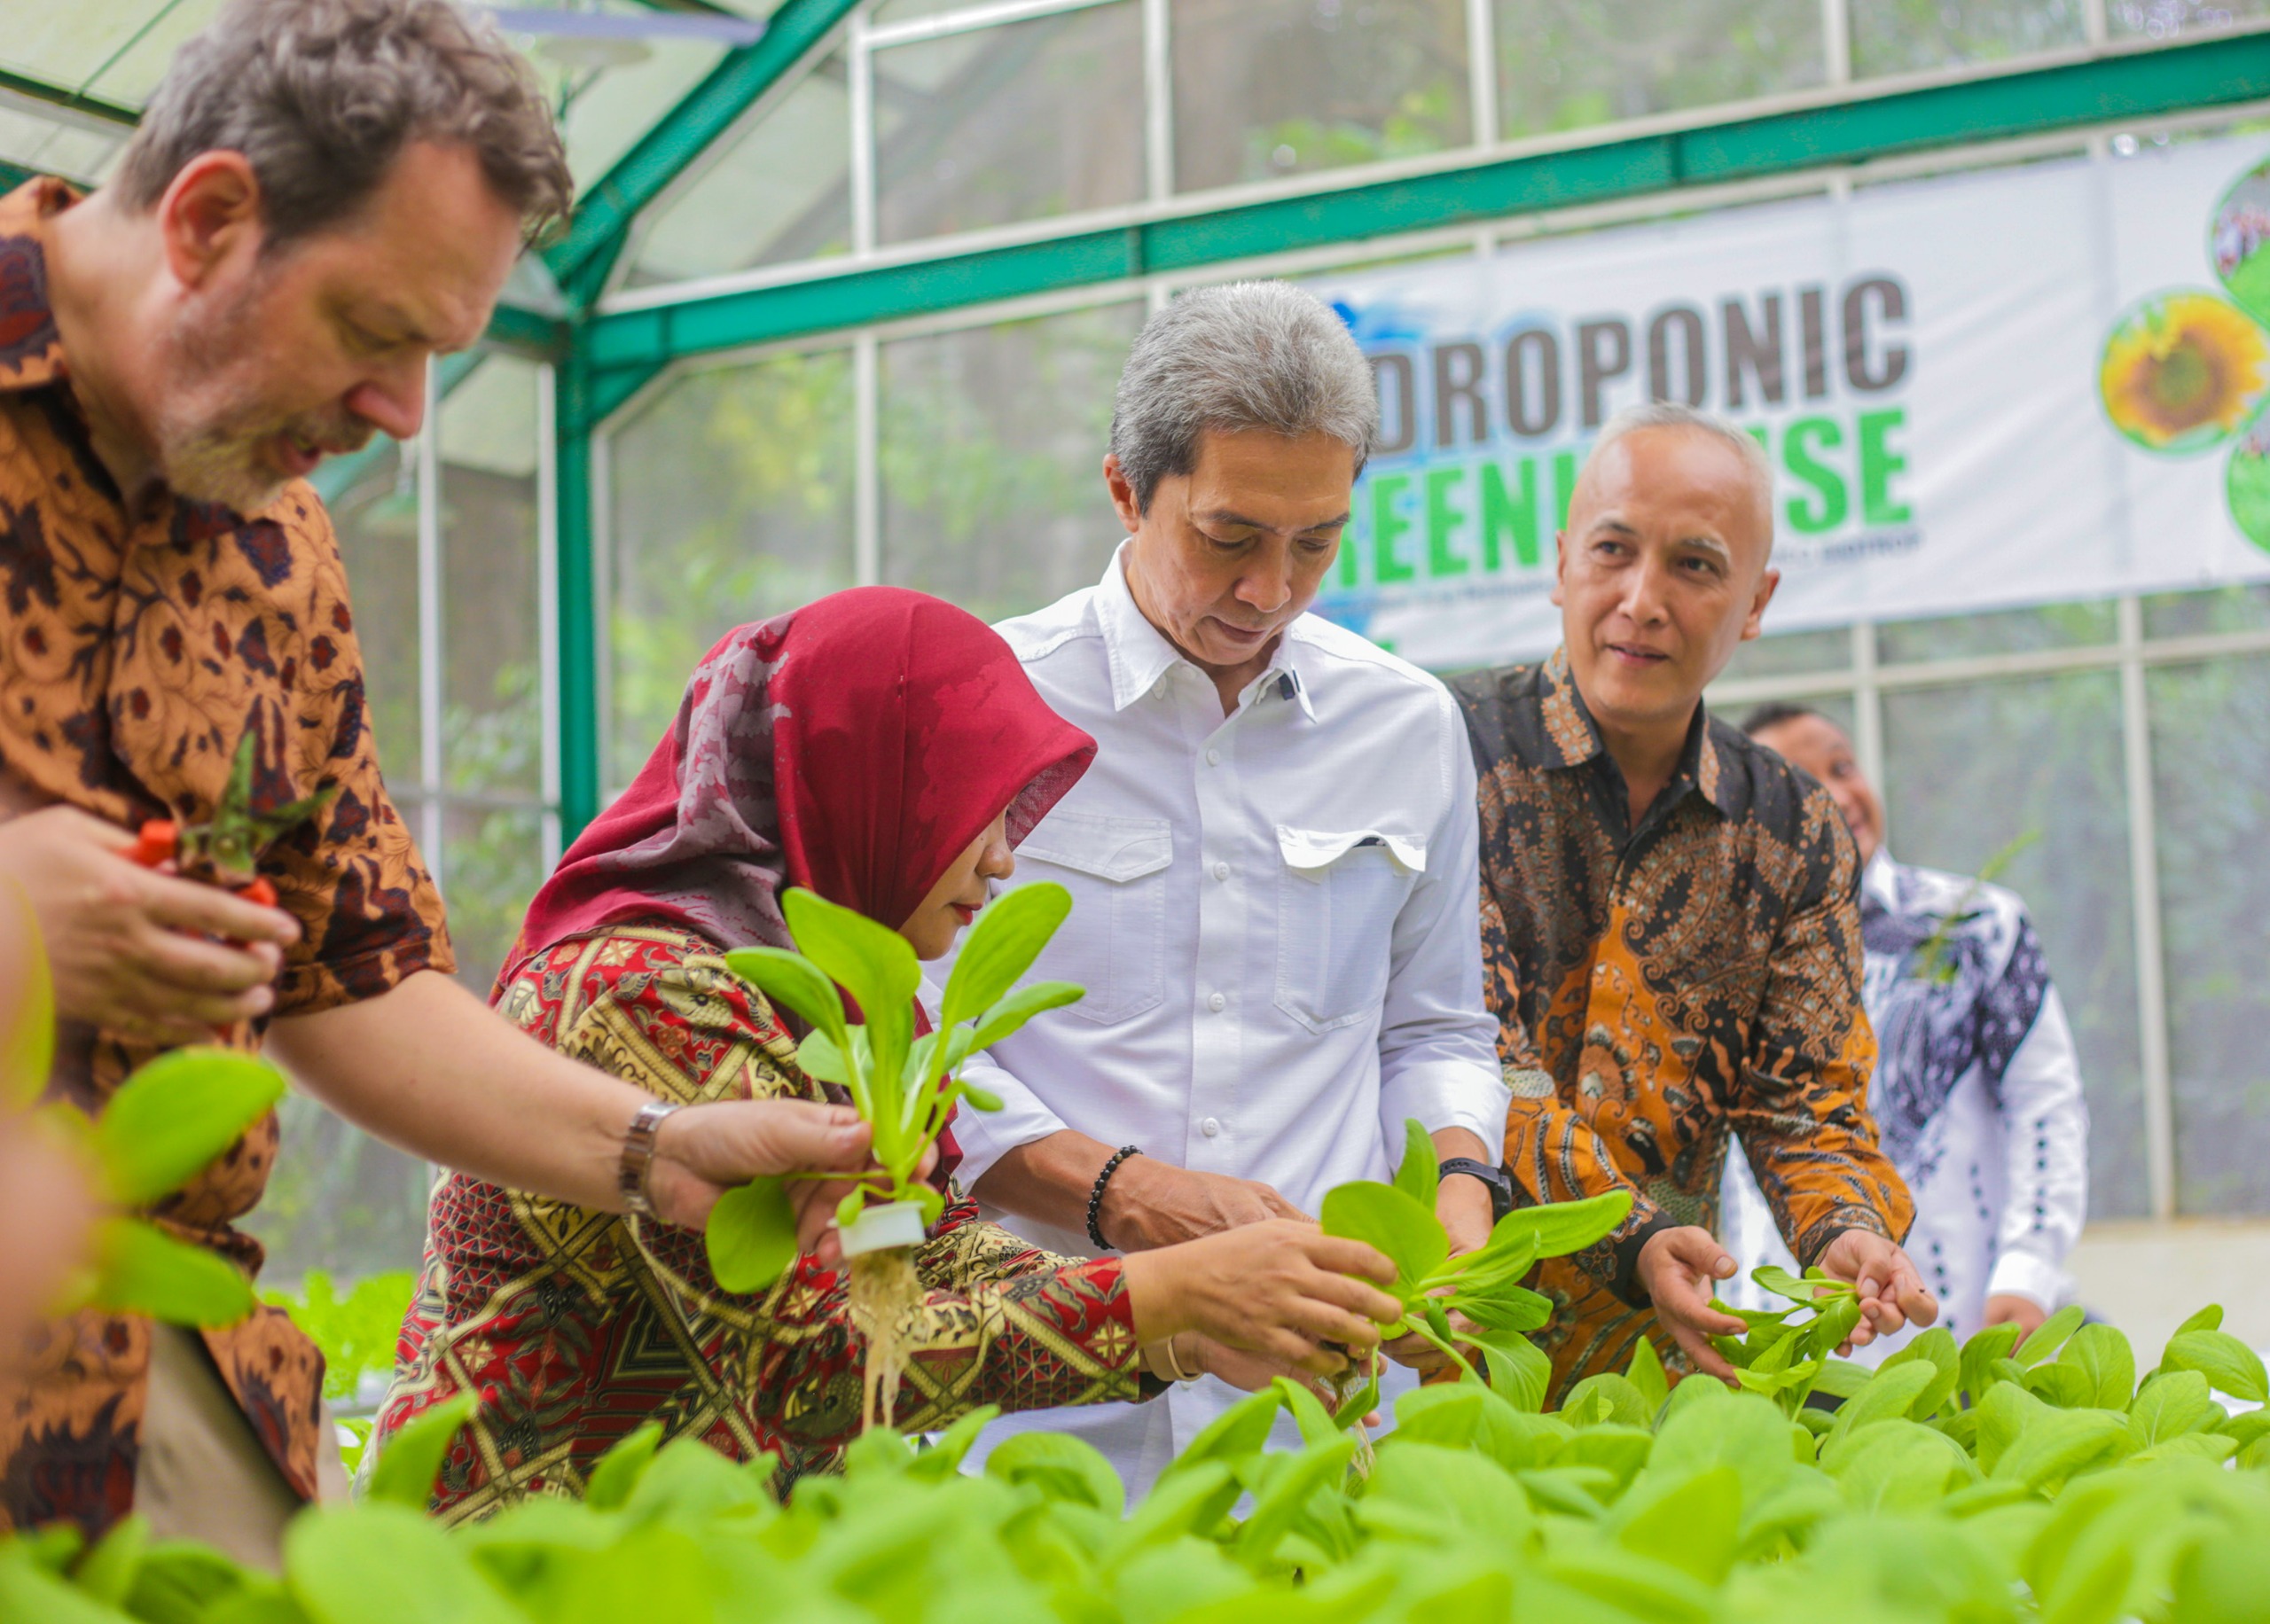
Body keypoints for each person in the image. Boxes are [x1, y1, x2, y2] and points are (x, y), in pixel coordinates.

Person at [0, 0, 887, 1558]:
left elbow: (351, 980)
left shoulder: (277, 544)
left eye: (438, 355)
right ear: (207, 218)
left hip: (162, 1367)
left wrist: (659, 1151)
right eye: (374, 332)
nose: (403, 415)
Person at [369, 589, 1403, 1519]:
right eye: (977, 805)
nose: (1004, 857)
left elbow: (918, 1251)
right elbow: (813, 1353)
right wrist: (1160, 1298)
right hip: (522, 1557)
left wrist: (1183, 1326)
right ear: (869, 777)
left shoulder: (845, 1004)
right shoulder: (648, 987)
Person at [945, 282, 1512, 1489]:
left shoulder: (1406, 724)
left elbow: (1434, 1025)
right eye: (1230, 537)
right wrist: (1128, 1199)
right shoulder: (986, 701)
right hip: (1046, 1393)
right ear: (1124, 491)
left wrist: (1459, 1189)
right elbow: (910, 1039)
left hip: (1324, 1406)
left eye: (1318, 542)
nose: (1272, 592)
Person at [1449, 401, 1935, 1401]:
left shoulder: (1793, 827)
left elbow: (1806, 1101)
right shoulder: (1447, 757)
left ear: (1754, 600)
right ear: (1560, 564)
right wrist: (1632, 1236)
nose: (1641, 598)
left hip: (1659, 1375)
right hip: (1440, 1339)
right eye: (1613, 549)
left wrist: (1845, 1233)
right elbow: (1467, 1056)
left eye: (1695, 565)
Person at [1718, 704, 2087, 1348]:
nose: (1837, 794)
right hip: (1787, 1338)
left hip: (1961, 1321)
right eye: (1803, 784)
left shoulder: (1978, 926)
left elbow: (2045, 1105)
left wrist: (2027, 1271)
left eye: (1843, 766)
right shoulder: (1718, 958)